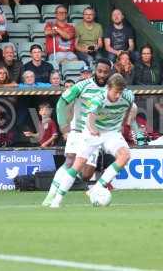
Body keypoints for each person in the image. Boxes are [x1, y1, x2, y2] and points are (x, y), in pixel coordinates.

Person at [49, 73, 134, 208]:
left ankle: (96, 188)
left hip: (112, 132)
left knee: (125, 155)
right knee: (77, 165)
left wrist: (123, 125)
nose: (118, 95)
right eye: (115, 92)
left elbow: (129, 108)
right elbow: (90, 118)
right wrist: (92, 129)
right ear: (108, 88)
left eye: (120, 92)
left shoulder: (128, 96)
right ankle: (56, 199)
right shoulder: (98, 99)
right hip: (92, 133)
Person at [42, 58, 112, 207]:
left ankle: (87, 188)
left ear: (109, 73)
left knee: (86, 174)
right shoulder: (82, 86)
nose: (102, 74)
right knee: (69, 161)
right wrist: (63, 125)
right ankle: (51, 197)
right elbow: (62, 102)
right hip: (78, 130)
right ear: (95, 70)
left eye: (105, 72)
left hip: (95, 135)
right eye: (99, 71)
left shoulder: (111, 89)